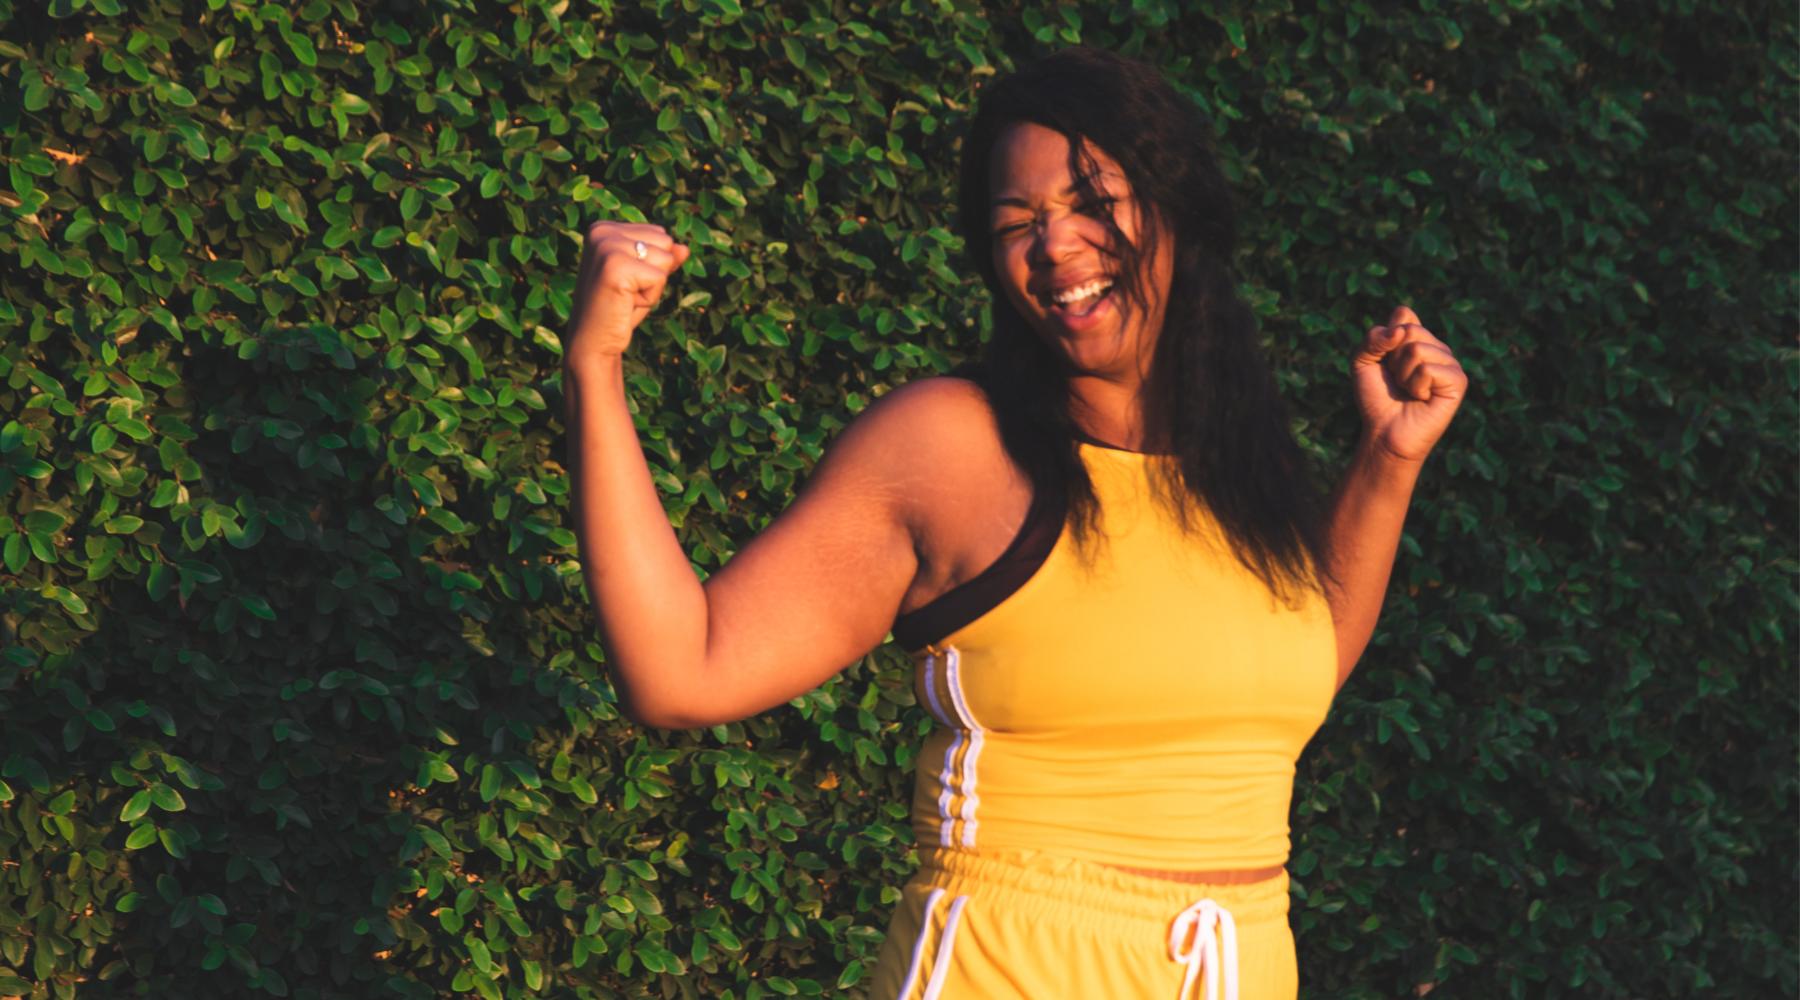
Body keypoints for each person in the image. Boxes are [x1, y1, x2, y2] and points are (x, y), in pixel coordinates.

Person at [561, 45, 1466, 1000]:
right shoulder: (954, 447)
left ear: (1177, 209)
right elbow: (681, 671)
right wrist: (595, 367)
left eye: (1091, 201)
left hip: (1241, 963)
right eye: (1016, 223)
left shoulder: (1238, 459)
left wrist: (1388, 463)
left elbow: (1288, 677)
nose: (1056, 245)